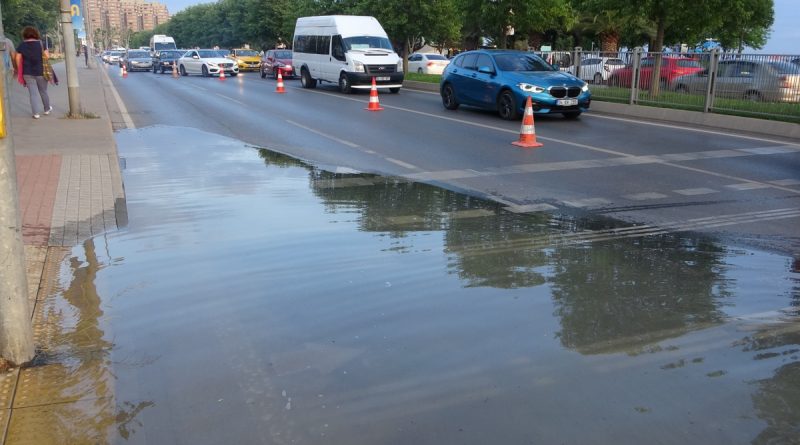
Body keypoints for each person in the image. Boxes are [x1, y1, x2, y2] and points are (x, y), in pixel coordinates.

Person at [15, 26, 51, 119]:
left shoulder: (21, 45)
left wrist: (19, 68)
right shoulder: (41, 43)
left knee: (33, 93)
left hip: (27, 72)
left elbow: (17, 58)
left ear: (25, 34)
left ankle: (36, 113)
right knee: (43, 91)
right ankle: (47, 109)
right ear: (35, 33)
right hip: (41, 71)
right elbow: (47, 56)